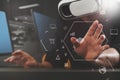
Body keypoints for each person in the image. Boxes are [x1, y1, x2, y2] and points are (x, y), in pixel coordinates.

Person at [4, 20, 120, 69]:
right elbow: (56, 60)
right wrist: (37, 65)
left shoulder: (113, 19)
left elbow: (115, 52)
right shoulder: (65, 20)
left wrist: (93, 61)